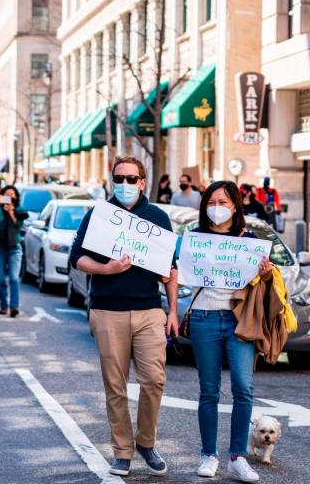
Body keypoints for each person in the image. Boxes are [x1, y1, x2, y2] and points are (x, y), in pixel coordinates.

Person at [69, 155, 178, 477]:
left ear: (143, 182)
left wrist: (172, 310)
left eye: (132, 179)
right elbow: (77, 257)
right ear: (112, 180)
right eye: (120, 178)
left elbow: (170, 269)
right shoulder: (99, 215)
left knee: (154, 380)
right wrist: (106, 268)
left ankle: (146, 442)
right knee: (115, 386)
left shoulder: (157, 217)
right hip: (107, 311)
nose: (126, 185)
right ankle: (122, 452)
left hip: (148, 311)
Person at [186, 181, 272, 483]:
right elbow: (177, 272)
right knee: (208, 390)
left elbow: (261, 284)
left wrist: (265, 274)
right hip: (204, 318)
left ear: (235, 205)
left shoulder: (248, 239)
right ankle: (208, 454)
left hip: (239, 321)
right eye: (212, 201)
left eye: (224, 202)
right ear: (204, 205)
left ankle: (237, 457)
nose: (218, 207)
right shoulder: (194, 238)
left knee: (243, 387)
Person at [0, 185, 28, 317]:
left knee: (14, 278)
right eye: (6, 194)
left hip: (15, 248)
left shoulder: (19, 210)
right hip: (0, 248)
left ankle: (14, 307)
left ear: (16, 196)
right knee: (1, 279)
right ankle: (3, 305)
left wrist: (11, 212)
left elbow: (18, 225)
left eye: (12, 194)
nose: (10, 197)